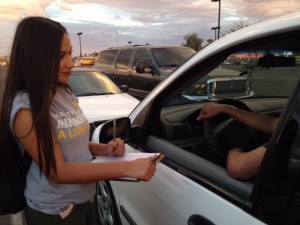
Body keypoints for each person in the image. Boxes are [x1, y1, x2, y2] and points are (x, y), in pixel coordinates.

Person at [0, 17, 157, 225]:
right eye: (59, 55)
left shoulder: (63, 91)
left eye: (70, 53)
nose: (70, 63)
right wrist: (127, 168)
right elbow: (57, 171)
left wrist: (104, 149)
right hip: (54, 212)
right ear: (34, 57)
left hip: (85, 200)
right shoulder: (24, 107)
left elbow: (71, 141)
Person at [197, 102, 279, 180]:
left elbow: (236, 168)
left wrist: (234, 150)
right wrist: (224, 108)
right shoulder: (289, 123)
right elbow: (272, 123)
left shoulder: (289, 139)